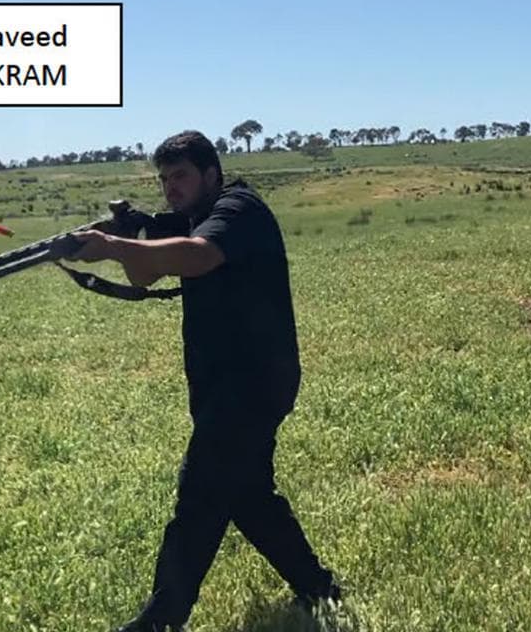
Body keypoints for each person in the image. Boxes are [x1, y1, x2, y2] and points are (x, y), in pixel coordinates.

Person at [65, 130, 341, 632]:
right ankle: (320, 590)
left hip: (254, 382)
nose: (171, 188)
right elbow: (144, 278)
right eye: (164, 179)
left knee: (199, 496)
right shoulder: (189, 217)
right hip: (222, 382)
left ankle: (161, 619)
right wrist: (132, 237)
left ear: (211, 174)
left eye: (181, 177)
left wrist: (112, 244)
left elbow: (198, 255)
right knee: (249, 496)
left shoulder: (238, 210)